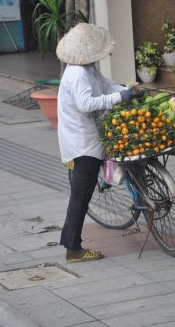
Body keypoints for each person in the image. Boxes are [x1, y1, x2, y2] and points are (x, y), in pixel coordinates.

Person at [56, 23, 143, 263]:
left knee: (81, 194)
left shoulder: (89, 69)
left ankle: (72, 244)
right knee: (80, 197)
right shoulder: (77, 75)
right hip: (81, 145)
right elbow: (86, 104)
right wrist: (118, 97)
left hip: (91, 138)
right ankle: (73, 248)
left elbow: (106, 85)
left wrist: (126, 91)